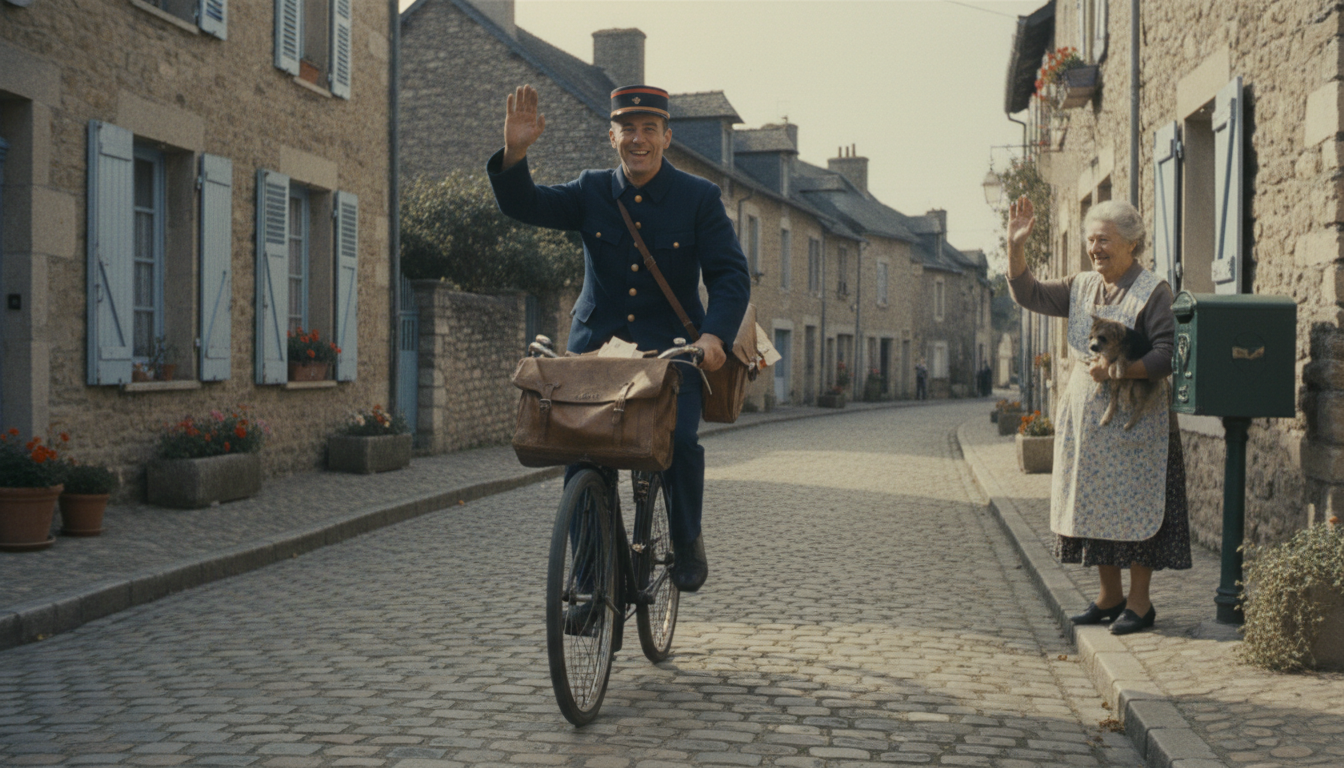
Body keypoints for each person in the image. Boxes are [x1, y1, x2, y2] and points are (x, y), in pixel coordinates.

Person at [487, 84, 751, 594]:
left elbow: (729, 276)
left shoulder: (698, 198)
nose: (638, 139)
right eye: (627, 129)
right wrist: (515, 152)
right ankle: (589, 582)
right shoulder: (591, 191)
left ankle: (686, 536)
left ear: (666, 137)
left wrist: (715, 336)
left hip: (673, 353)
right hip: (596, 355)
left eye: (649, 129)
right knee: (582, 455)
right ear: (612, 137)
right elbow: (527, 205)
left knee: (677, 443)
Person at [1006, 196, 1191, 635]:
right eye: (1091, 240)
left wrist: (1114, 371)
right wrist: (1016, 246)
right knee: (1096, 506)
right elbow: (1027, 291)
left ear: (1131, 243)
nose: (1095, 249)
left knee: (1138, 508)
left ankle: (1141, 604)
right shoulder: (1082, 286)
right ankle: (1110, 597)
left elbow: (1168, 355)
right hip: (1088, 423)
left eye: (1104, 240)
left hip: (1137, 421)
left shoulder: (1154, 291)